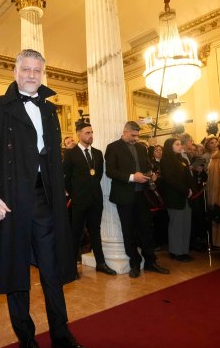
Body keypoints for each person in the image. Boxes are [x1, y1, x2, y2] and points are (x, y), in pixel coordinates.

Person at [0, 49, 94, 348]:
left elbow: (51, 157)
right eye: (25, 69)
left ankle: (61, 333)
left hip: (46, 199)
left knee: (52, 268)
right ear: (15, 72)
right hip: (11, 200)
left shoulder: (50, 109)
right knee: (17, 274)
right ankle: (26, 340)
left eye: (37, 71)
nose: (31, 75)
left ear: (42, 74)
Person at [105, 121, 170, 278]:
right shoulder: (113, 147)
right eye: (133, 135)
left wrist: (150, 174)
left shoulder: (141, 148)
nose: (136, 138)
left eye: (137, 135)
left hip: (142, 195)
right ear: (125, 131)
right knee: (128, 231)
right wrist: (132, 177)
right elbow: (110, 171)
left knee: (146, 229)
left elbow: (146, 166)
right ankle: (134, 263)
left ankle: (150, 262)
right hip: (124, 195)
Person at [63, 119, 116, 275]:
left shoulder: (98, 154)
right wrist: (74, 193)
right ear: (79, 134)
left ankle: (100, 263)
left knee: (95, 231)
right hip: (79, 200)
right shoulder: (71, 154)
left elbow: (97, 175)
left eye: (92, 132)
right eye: (87, 133)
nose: (90, 135)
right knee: (76, 233)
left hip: (95, 200)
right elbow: (66, 177)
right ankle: (71, 266)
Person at [160, 137, 195, 261]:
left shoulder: (182, 159)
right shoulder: (166, 160)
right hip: (175, 197)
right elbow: (170, 180)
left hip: (185, 197)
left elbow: (188, 177)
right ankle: (176, 252)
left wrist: (191, 188)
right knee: (176, 226)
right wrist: (185, 190)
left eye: (180, 144)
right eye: (177, 144)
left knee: (186, 225)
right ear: (170, 146)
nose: (180, 146)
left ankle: (184, 251)